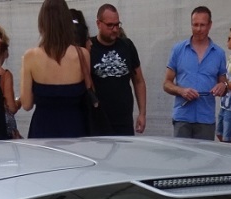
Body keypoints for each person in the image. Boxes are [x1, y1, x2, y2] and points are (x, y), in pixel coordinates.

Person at [20, 0, 90, 138]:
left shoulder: (30, 57)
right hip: (75, 129)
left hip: (42, 131)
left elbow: (26, 104)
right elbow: (88, 93)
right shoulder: (83, 55)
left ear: (42, 22)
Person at [164, 6, 228, 140]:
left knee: (205, 159)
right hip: (182, 117)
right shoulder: (178, 50)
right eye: (195, 25)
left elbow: (223, 82)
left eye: (203, 25)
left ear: (210, 25)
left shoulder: (219, 53)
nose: (199, 29)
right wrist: (181, 91)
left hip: (206, 119)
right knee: (180, 158)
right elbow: (166, 83)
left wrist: (223, 86)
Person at [89, 4, 147, 135]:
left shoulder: (127, 46)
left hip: (123, 120)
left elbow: (138, 81)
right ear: (98, 24)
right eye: (110, 25)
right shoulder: (89, 47)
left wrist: (142, 113)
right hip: (97, 121)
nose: (115, 29)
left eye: (117, 24)